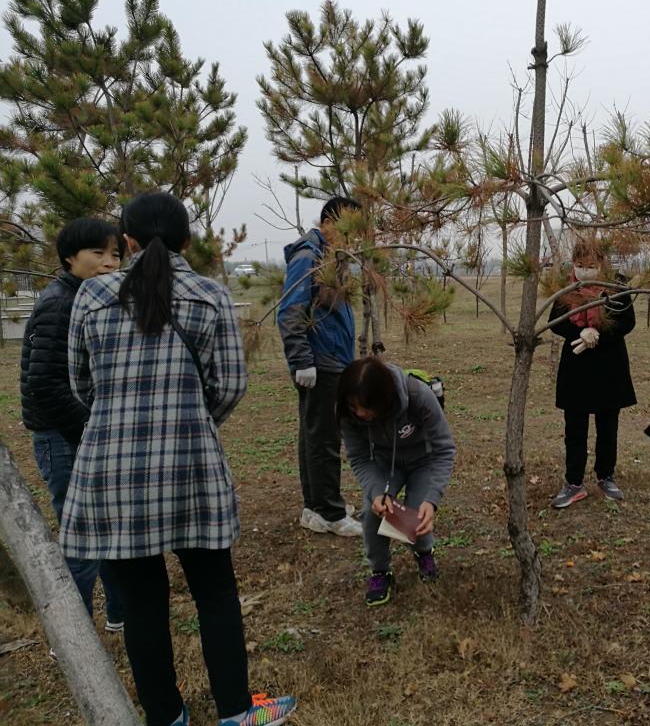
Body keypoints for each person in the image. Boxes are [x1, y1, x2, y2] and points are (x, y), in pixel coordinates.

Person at [63, 192, 295, 726]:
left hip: (112, 469)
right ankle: (237, 713)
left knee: (142, 604)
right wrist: (191, 419)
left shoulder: (92, 294)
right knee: (215, 593)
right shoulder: (210, 296)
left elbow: (80, 383)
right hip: (191, 464)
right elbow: (230, 385)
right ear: (187, 241)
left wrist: (119, 416)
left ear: (127, 240)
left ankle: (167, 716)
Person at [19, 217, 125, 633]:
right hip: (62, 436)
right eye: (98, 253)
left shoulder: (87, 298)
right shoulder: (61, 303)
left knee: (108, 527)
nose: (109, 263)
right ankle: (77, 635)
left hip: (82, 431)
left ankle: (119, 613)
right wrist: (89, 431)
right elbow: (43, 384)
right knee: (81, 536)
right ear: (69, 258)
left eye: (115, 254)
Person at [337, 357, 455, 607]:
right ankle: (380, 571)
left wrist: (432, 499)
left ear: (384, 400)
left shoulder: (418, 396)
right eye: (354, 406)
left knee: (416, 514)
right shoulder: (346, 412)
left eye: (366, 407)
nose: (360, 413)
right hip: (384, 463)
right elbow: (359, 457)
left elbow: (444, 450)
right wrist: (376, 491)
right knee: (373, 513)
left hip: (423, 462)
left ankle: (424, 553)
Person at [277, 196, 360, 537]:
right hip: (320, 362)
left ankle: (315, 506)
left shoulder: (329, 258)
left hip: (330, 359)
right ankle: (331, 512)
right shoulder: (309, 256)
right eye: (349, 229)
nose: (354, 238)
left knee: (313, 434)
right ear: (329, 223)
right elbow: (289, 310)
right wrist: (302, 360)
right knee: (324, 437)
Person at [548, 241, 636, 508]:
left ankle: (605, 476)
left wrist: (597, 333)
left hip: (609, 365)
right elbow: (555, 322)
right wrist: (580, 332)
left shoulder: (616, 286)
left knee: (608, 426)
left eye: (591, 266)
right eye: (580, 266)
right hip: (576, 367)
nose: (585, 271)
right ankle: (573, 482)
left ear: (602, 264)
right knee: (575, 428)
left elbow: (627, 322)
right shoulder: (567, 288)